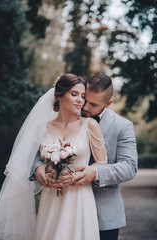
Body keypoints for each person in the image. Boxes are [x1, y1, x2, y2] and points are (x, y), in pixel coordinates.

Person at [0, 74, 107, 240]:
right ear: (59, 95)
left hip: (79, 198)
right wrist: (40, 169)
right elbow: (31, 159)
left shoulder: (89, 125)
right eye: (74, 94)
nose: (80, 100)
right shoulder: (42, 128)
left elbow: (102, 163)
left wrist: (86, 173)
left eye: (83, 96)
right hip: (50, 199)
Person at [33, 74, 138, 240]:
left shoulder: (123, 126)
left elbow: (130, 167)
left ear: (108, 104)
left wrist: (95, 172)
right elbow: (39, 151)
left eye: (93, 104)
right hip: (58, 206)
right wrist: (38, 168)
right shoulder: (65, 114)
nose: (84, 105)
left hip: (105, 213)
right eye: (84, 98)